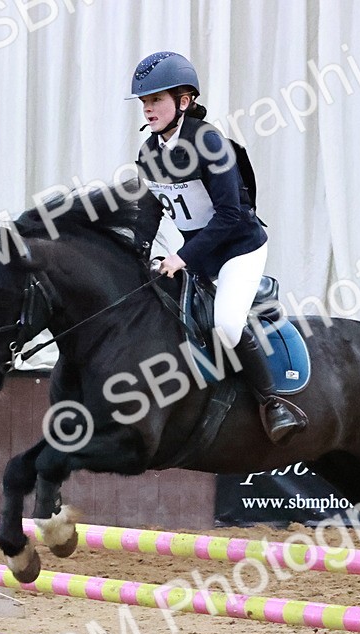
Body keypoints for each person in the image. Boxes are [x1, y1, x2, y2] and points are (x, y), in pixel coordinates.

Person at [127, 51, 306, 444]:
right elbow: (150, 212)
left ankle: (272, 403)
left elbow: (229, 216)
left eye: (156, 99)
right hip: (200, 251)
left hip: (239, 247)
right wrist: (137, 255)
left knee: (225, 322)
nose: (148, 108)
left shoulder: (208, 142)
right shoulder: (148, 153)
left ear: (184, 101)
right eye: (144, 102)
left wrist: (181, 257)